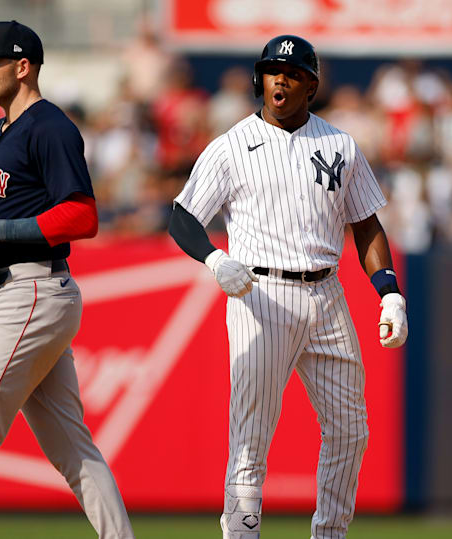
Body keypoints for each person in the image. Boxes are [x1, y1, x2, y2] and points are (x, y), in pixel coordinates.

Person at [168, 35, 408, 539]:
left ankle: (330, 533)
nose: (279, 78)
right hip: (261, 295)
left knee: (350, 431)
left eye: (292, 72)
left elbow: (366, 224)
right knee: (251, 440)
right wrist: (214, 258)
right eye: (272, 70)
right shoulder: (232, 144)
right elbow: (183, 217)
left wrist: (388, 291)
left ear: (311, 85)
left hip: (328, 295)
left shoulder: (340, 144)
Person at [0, 20, 135, 539]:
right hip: (9, 294)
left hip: (30, 292)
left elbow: (82, 216)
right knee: (73, 450)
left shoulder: (50, 127)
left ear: (23, 67)